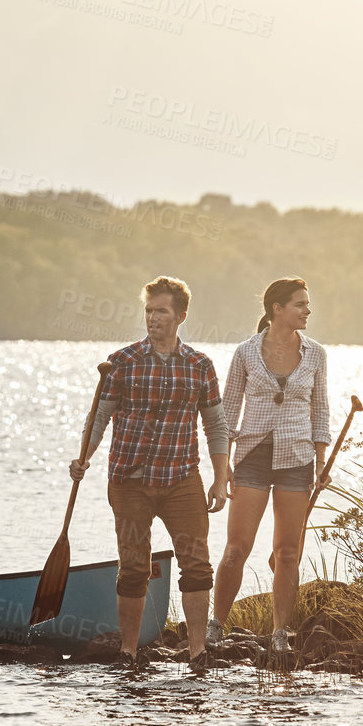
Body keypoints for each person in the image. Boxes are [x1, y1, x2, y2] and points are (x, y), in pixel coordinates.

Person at [71, 276, 229, 672]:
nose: (153, 318)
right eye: (148, 310)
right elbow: (99, 417)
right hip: (129, 480)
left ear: (181, 316)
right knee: (134, 566)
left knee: (196, 564)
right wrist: (83, 458)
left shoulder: (199, 365)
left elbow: (216, 426)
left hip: (181, 479)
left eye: (161, 311)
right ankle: (128, 651)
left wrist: (221, 478)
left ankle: (197, 653)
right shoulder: (123, 361)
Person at [209, 278, 331, 656]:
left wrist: (321, 458)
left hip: (297, 459)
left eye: (307, 304)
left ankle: (279, 634)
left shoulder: (316, 354)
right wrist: (221, 465)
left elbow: (322, 408)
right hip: (252, 457)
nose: (307, 311)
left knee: (288, 552)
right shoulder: (246, 352)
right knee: (236, 549)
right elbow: (227, 411)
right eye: (300, 304)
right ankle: (216, 626)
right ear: (276, 308)